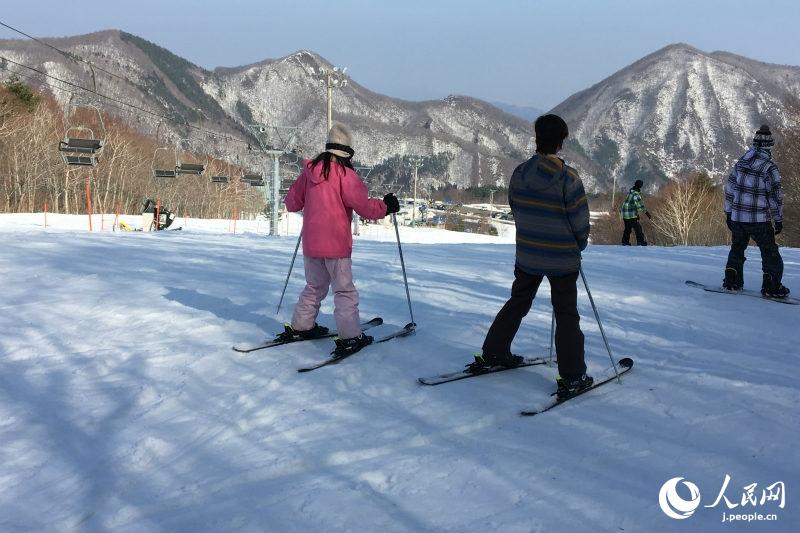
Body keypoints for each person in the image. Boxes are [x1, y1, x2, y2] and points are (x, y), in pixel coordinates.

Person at [476, 114, 592, 400]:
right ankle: (572, 375)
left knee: (518, 301)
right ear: (561, 141)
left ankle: (493, 352)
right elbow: (580, 221)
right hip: (562, 258)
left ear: (537, 138)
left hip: (528, 253)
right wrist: (577, 245)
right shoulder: (568, 177)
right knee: (566, 313)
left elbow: (516, 208)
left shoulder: (519, 173)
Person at [283, 123, 401, 355]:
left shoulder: (308, 173)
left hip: (312, 244)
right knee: (344, 291)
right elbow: (364, 207)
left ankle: (301, 326)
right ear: (347, 153)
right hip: (336, 244)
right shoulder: (346, 175)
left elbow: (291, 203)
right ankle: (349, 336)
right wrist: (386, 206)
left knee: (314, 286)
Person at [722, 125, 789, 298]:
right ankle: (771, 286)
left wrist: (728, 212)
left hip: (737, 217)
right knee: (769, 252)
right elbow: (775, 197)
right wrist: (778, 219)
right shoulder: (769, 168)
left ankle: (731, 280)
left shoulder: (740, 163)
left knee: (737, 248)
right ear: (769, 146)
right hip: (759, 219)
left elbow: (729, 189)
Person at [620, 180, 651, 245]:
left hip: (625, 213)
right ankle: (640, 241)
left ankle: (625, 241)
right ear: (640, 186)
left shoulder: (630, 192)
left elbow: (628, 204)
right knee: (638, 228)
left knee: (628, 228)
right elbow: (639, 206)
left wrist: (636, 214)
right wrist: (646, 213)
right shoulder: (636, 194)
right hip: (631, 214)